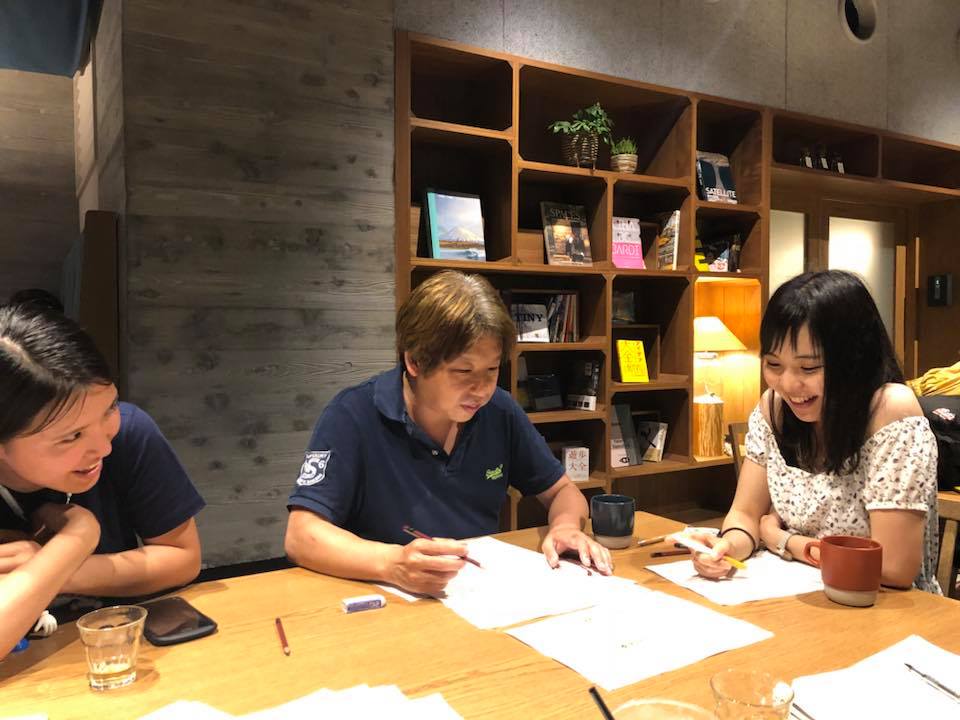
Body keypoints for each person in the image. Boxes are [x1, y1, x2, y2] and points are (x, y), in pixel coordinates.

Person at [284, 270, 612, 595]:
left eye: (492, 369)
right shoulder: (353, 414)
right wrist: (392, 563)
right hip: (380, 599)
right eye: (463, 371)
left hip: (476, 592)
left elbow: (562, 491)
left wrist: (565, 527)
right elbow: (301, 534)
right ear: (415, 361)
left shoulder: (499, 411)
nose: (481, 389)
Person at [693, 270, 941, 593]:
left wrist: (783, 540)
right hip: (797, 597)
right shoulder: (773, 410)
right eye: (774, 365)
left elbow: (892, 568)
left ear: (854, 360)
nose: (788, 385)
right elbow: (745, 514)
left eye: (809, 368)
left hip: (885, 608)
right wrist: (727, 547)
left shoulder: (889, 411)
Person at [0, 302, 206, 658]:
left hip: (115, 649)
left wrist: (56, 566)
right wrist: (79, 536)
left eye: (109, 408)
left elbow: (182, 557)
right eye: (71, 436)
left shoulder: (129, 433)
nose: (103, 447)